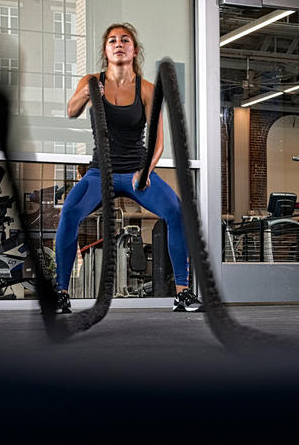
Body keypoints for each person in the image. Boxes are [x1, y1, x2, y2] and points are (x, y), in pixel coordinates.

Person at [53, 22, 202, 314]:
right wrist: (87, 93)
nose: (118, 44)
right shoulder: (91, 80)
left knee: (176, 211)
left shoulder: (147, 90)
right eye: (112, 41)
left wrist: (145, 172)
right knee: (69, 213)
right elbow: (71, 111)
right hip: (100, 172)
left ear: (134, 50)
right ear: (105, 51)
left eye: (124, 40)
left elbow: (158, 141)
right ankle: (60, 293)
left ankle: (183, 293)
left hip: (137, 171)